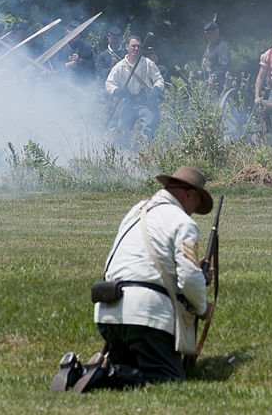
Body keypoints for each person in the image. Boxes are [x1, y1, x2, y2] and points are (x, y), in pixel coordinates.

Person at [52, 167, 214, 392]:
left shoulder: (136, 212)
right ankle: (98, 373)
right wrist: (203, 307)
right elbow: (188, 279)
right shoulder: (182, 222)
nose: (193, 212)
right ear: (188, 194)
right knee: (166, 378)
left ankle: (82, 372)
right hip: (145, 316)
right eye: (196, 204)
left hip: (108, 311)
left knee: (131, 370)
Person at [105, 35, 165, 146]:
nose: (136, 49)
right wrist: (117, 91)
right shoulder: (120, 66)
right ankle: (121, 158)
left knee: (148, 132)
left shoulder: (148, 63)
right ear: (127, 47)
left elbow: (159, 79)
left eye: (138, 46)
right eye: (133, 46)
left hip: (146, 104)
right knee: (122, 133)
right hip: (129, 104)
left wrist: (156, 89)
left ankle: (146, 158)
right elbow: (109, 83)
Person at [201, 21, 231, 92]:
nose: (209, 36)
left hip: (218, 84)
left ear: (216, 33)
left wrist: (214, 76)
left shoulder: (222, 47)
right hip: (206, 84)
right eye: (207, 34)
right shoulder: (208, 48)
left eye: (211, 33)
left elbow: (224, 66)